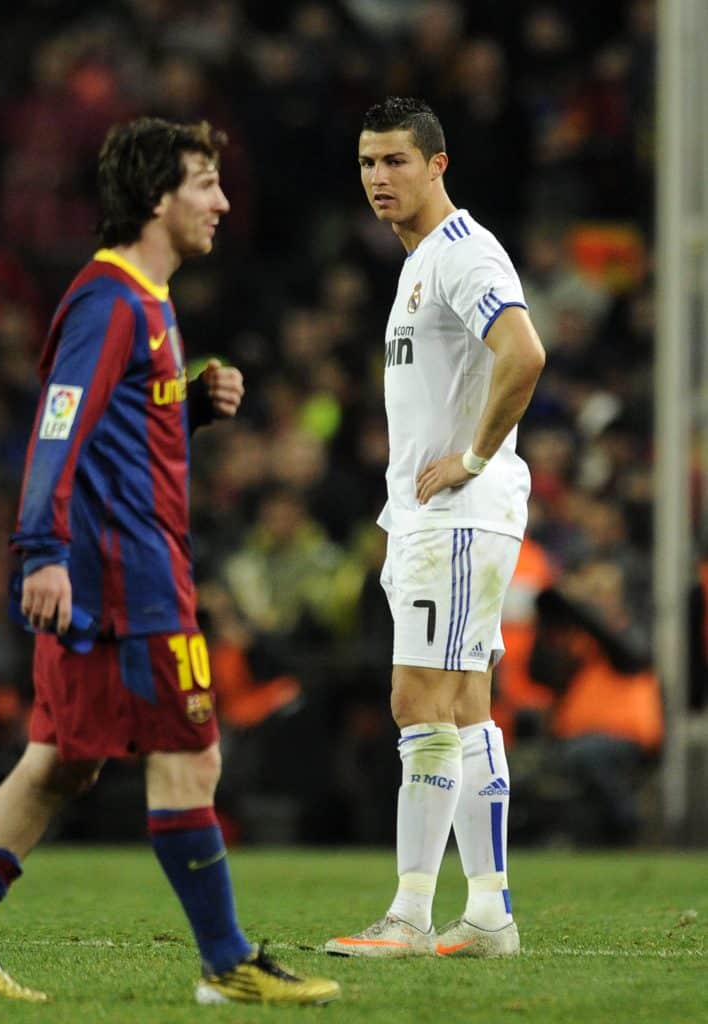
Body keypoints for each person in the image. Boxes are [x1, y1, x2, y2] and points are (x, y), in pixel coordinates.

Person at [0, 116, 339, 1007]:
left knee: (60, 762)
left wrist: (188, 405)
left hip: (111, 570)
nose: (222, 201)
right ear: (156, 198)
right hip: (125, 579)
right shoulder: (113, 302)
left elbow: (114, 430)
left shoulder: (144, 303)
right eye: (204, 184)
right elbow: (58, 424)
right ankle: (228, 963)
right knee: (193, 755)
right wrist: (39, 552)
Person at [324, 97, 545, 959]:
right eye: (369, 163)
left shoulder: (461, 253)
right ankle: (488, 911)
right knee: (467, 706)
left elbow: (523, 353)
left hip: (455, 517)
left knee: (419, 701)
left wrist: (476, 458)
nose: (380, 178)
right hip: (437, 518)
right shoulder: (421, 262)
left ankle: (411, 916)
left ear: (437, 164)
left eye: (396, 162)